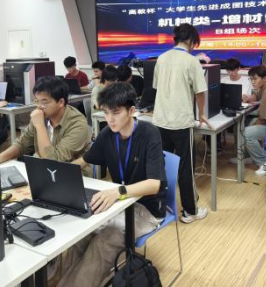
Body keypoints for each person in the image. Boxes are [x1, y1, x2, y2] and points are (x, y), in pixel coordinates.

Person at [60, 83, 166, 287]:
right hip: (120, 203)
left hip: (146, 207)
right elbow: (84, 161)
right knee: (81, 233)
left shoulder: (149, 133)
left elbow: (154, 184)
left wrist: (118, 192)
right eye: (106, 112)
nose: (110, 119)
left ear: (131, 111)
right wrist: (58, 176)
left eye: (116, 113)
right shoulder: (107, 133)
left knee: (104, 242)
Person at [153, 24, 210, 224]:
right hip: (181, 121)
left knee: (162, 165)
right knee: (185, 167)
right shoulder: (192, 61)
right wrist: (201, 113)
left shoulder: (161, 58)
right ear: (193, 42)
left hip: (160, 119)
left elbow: (157, 87)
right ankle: (190, 211)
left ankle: (161, 210)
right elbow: (200, 92)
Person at [0, 76, 91, 164]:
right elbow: (22, 144)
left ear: (61, 102)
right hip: (41, 167)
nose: (39, 106)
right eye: (36, 101)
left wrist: (40, 126)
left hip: (72, 172)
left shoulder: (77, 124)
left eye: (44, 102)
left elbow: (53, 161)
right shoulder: (42, 115)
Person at [234, 66, 266, 176]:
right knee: (242, 124)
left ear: (264, 78)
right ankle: (248, 155)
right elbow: (257, 94)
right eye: (251, 79)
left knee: (245, 132)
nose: (252, 82)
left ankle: (265, 163)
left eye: (255, 79)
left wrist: (249, 129)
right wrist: (249, 98)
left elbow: (263, 119)